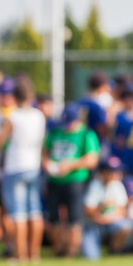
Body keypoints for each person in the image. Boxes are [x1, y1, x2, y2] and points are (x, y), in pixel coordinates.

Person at [0, 75, 46, 264]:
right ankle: (35, 254)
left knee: (18, 214)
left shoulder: (13, 117)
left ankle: (20, 255)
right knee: (35, 211)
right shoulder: (39, 115)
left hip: (15, 166)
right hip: (33, 166)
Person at [43, 103, 100, 257]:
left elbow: (92, 159)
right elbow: (45, 151)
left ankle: (72, 251)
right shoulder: (55, 132)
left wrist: (70, 165)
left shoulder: (86, 134)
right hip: (54, 180)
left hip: (75, 180)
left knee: (74, 218)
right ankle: (59, 249)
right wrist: (47, 163)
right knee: (53, 217)